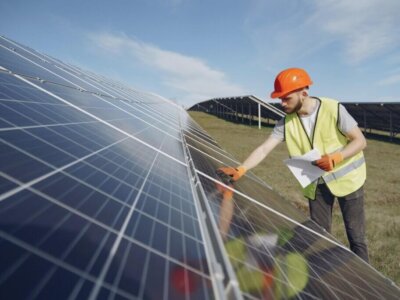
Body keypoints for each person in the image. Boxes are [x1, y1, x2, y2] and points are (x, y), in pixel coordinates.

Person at [218, 67, 369, 262]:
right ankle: (324, 278)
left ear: (303, 93)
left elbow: (360, 141)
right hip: (316, 183)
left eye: (286, 98)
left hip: (349, 180)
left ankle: (367, 280)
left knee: (356, 237)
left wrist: (336, 157)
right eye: (279, 98)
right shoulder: (285, 122)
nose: (281, 103)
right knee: (318, 233)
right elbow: (264, 149)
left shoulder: (333, 109)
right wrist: (242, 168)